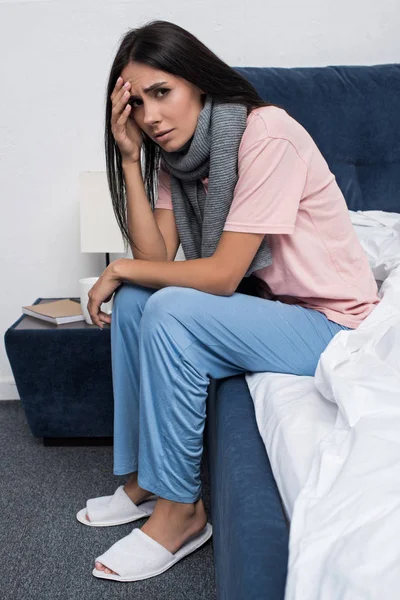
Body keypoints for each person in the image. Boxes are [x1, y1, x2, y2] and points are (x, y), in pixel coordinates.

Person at [76, 20, 381, 582]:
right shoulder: (182, 156)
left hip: (330, 320)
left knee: (161, 302)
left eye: (162, 93)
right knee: (143, 296)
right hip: (269, 310)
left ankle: (180, 513)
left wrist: (117, 268)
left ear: (198, 81)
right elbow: (160, 262)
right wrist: (127, 161)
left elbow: (220, 275)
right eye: (138, 103)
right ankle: (145, 476)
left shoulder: (267, 135)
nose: (151, 117)